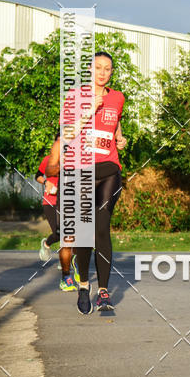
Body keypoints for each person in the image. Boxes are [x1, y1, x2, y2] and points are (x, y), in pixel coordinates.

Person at [59, 51, 126, 315]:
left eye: (107, 69)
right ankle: (84, 284)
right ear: (89, 69)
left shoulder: (117, 97)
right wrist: (89, 110)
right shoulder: (75, 96)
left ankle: (104, 291)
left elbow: (115, 123)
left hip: (110, 168)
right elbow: (67, 134)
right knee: (86, 231)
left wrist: (120, 138)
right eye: (98, 67)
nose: (102, 72)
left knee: (101, 225)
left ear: (111, 72)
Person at [36, 132, 75, 289]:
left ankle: (65, 263)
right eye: (58, 141)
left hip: (67, 201)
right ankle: (46, 243)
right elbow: (37, 175)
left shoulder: (74, 159)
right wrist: (46, 182)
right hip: (50, 201)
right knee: (59, 233)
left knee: (70, 232)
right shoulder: (48, 159)